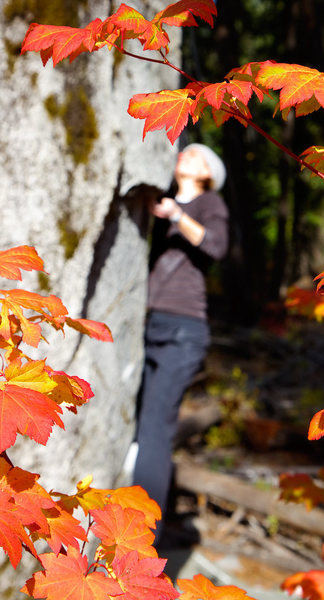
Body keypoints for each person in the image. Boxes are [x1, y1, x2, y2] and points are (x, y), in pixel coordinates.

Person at [132, 143, 229, 543]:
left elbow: (216, 245)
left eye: (197, 156)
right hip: (154, 326)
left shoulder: (210, 203)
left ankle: (143, 538)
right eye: (184, 152)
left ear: (208, 174)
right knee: (143, 423)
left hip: (184, 330)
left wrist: (178, 215)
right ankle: (151, 515)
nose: (185, 155)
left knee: (155, 427)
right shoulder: (166, 201)